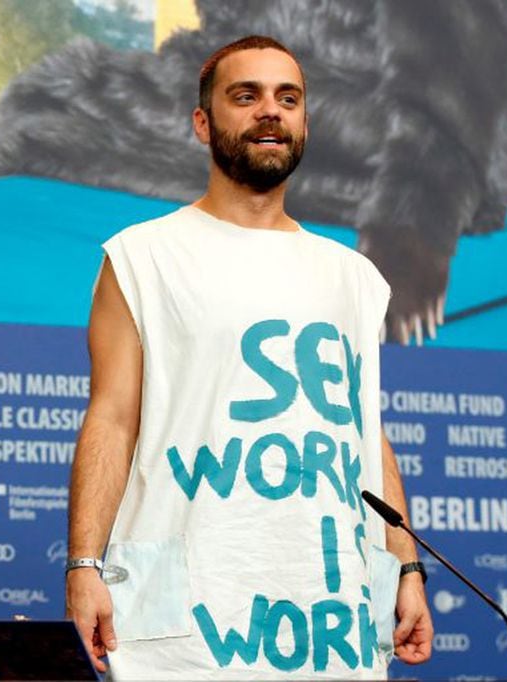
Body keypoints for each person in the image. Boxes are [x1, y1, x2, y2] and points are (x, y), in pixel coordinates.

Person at [65, 35, 433, 679]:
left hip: (334, 618)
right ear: (203, 123)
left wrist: (405, 566)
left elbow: (362, 437)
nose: (271, 111)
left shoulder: (355, 277)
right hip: (189, 628)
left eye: (288, 98)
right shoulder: (142, 259)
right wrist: (83, 565)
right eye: (247, 95)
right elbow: (112, 419)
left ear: (305, 123)